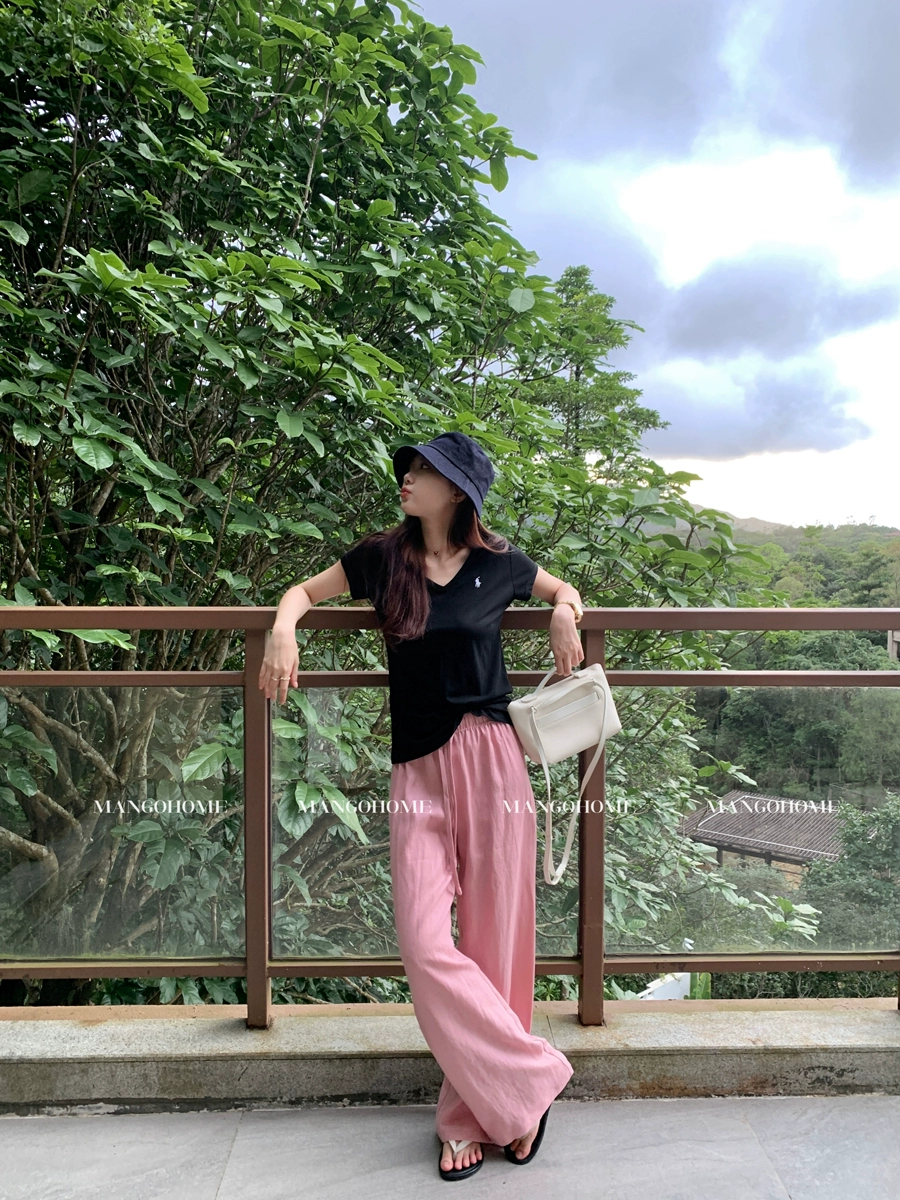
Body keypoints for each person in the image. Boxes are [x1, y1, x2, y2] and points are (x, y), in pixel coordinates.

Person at [259, 431, 585, 1180]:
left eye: (423, 469)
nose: (406, 477)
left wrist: (565, 611)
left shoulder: (500, 564)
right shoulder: (382, 558)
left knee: (498, 940)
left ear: (458, 490)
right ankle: (533, 1079)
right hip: (417, 771)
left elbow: (562, 590)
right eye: (407, 467)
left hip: (493, 760)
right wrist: (282, 630)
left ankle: (475, 1114)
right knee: (424, 941)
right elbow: (302, 593)